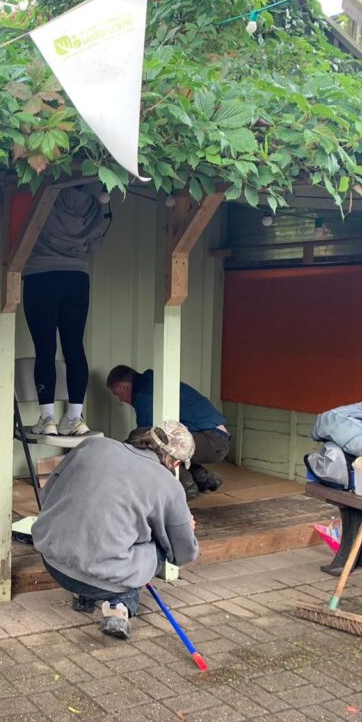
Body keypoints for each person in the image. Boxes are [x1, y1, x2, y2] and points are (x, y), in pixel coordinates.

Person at [31, 422, 199, 641]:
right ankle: (118, 605)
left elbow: (47, 495)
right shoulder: (169, 485)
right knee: (158, 545)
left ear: (147, 436)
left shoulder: (92, 445)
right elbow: (181, 554)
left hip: (53, 562)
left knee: (105, 532)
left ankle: (83, 598)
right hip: (104, 579)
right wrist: (186, 528)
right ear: (176, 462)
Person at [22, 187, 108, 437]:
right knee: (74, 347)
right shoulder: (94, 202)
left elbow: (22, 227)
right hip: (77, 276)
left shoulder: (44, 192)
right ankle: (74, 417)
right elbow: (95, 245)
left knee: (44, 349)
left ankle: (47, 418)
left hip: (41, 275)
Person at [106, 365, 228, 499]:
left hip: (210, 440)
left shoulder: (144, 394)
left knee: (147, 442)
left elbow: (144, 440)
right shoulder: (154, 382)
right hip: (216, 438)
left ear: (124, 386)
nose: (121, 400)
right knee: (164, 441)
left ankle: (186, 486)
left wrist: (119, 457)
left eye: (118, 395)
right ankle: (204, 478)